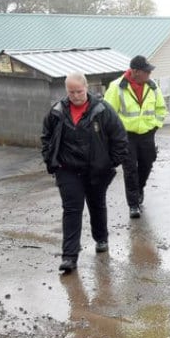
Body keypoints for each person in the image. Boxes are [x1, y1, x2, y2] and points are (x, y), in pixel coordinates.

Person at [41, 72, 128, 273]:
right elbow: (46, 137)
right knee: (72, 210)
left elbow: (119, 138)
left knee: (96, 205)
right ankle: (69, 256)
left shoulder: (102, 110)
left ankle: (101, 238)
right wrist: (51, 159)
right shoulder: (57, 111)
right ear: (66, 91)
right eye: (71, 92)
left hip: (96, 170)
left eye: (79, 91)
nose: (75, 96)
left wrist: (110, 163)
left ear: (86, 88)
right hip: (68, 170)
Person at [104, 55, 168, 219]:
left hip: (147, 133)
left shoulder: (152, 87)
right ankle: (133, 204)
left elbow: (161, 108)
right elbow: (108, 114)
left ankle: (139, 189)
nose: (149, 74)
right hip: (126, 136)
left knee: (147, 163)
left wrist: (155, 126)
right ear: (135, 72)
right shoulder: (116, 87)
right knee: (130, 169)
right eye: (147, 71)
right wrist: (114, 136)